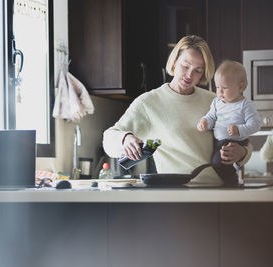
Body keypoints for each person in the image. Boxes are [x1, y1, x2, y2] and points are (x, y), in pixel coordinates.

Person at [103, 35, 253, 185]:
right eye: (185, 66)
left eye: (198, 70)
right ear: (174, 62)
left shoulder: (214, 101)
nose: (189, 75)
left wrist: (242, 153)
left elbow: (243, 141)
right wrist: (125, 138)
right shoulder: (149, 103)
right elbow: (109, 139)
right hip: (175, 193)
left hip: (218, 190)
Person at [197, 60, 261, 184]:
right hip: (219, 142)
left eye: (225, 88)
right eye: (217, 87)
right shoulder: (216, 102)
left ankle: (232, 183)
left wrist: (239, 129)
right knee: (218, 162)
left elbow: (256, 125)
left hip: (235, 141)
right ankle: (231, 182)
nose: (220, 92)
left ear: (241, 87)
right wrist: (205, 122)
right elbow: (211, 117)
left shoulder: (245, 105)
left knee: (218, 162)